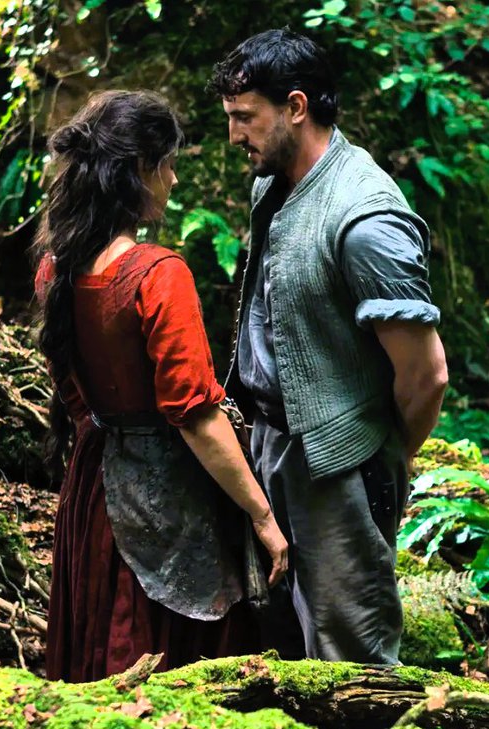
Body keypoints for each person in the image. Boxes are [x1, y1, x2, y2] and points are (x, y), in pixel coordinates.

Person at [209, 30, 449, 664]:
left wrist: (380, 458)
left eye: (244, 117)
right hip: (269, 444)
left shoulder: (366, 219)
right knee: (282, 644)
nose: (233, 136)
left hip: (340, 467)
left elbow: (427, 375)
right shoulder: (272, 182)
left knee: (352, 656)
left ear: (295, 106)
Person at [33, 90, 289, 682]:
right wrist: (261, 515)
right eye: (168, 165)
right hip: (168, 496)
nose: (173, 180)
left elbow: (75, 391)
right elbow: (194, 414)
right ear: (138, 171)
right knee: (162, 661)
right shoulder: (157, 275)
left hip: (94, 487)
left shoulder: (56, 267)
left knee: (100, 638)